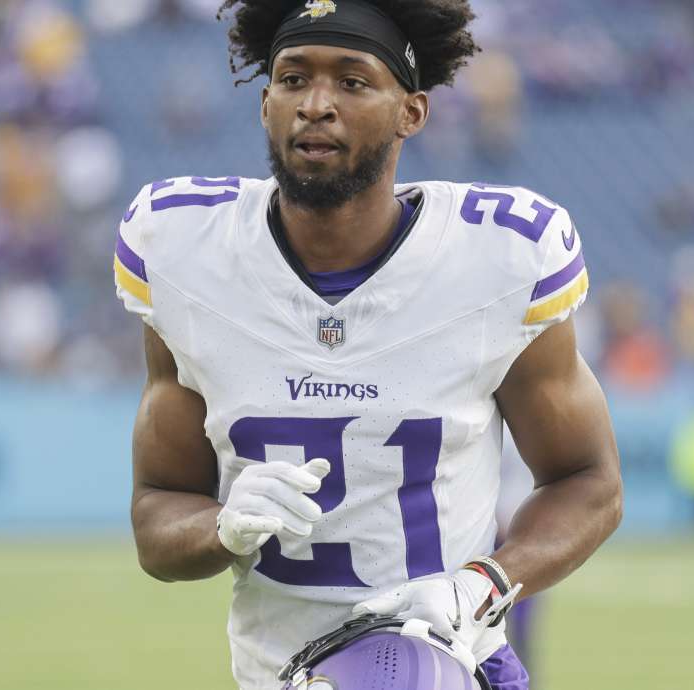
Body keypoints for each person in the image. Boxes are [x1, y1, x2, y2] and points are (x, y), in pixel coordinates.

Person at [114, 2, 623, 688]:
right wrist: (223, 526)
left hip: (447, 662)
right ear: (266, 104)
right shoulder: (184, 250)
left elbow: (588, 481)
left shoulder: (500, 258)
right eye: (293, 79)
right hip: (273, 671)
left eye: (352, 82)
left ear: (411, 112)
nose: (315, 105)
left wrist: (482, 586)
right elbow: (157, 515)